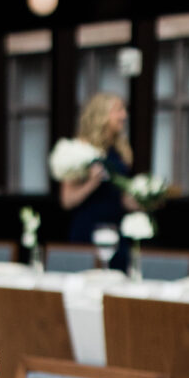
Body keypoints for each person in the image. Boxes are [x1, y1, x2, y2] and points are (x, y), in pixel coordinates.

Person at [59, 92, 133, 270]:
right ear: (102, 114)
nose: (124, 115)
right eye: (118, 110)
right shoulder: (80, 150)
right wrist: (91, 183)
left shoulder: (121, 150)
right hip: (87, 231)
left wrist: (144, 199)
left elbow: (122, 198)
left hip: (116, 231)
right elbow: (67, 201)